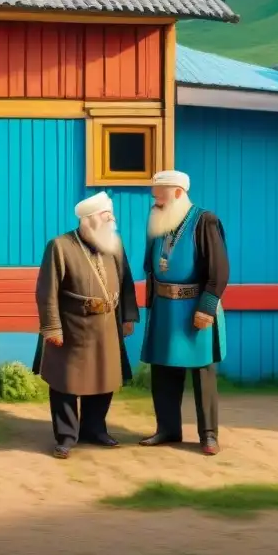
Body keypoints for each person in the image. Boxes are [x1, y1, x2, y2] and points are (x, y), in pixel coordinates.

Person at [33, 191, 139, 459]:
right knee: (66, 382)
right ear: (90, 220)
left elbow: (126, 281)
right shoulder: (60, 246)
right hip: (72, 326)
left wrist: (127, 316)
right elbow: (47, 291)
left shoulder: (113, 243)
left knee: (104, 378)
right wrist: (53, 328)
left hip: (107, 324)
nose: (112, 219)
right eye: (107, 215)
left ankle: (95, 429)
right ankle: (67, 436)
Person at [139, 170, 229, 455]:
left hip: (195, 307)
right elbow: (152, 267)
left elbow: (219, 270)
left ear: (178, 193)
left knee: (202, 372)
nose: (156, 201)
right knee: (163, 369)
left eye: (161, 196)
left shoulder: (205, 221)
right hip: (165, 309)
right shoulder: (159, 221)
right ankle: (167, 428)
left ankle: (208, 435)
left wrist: (207, 308)